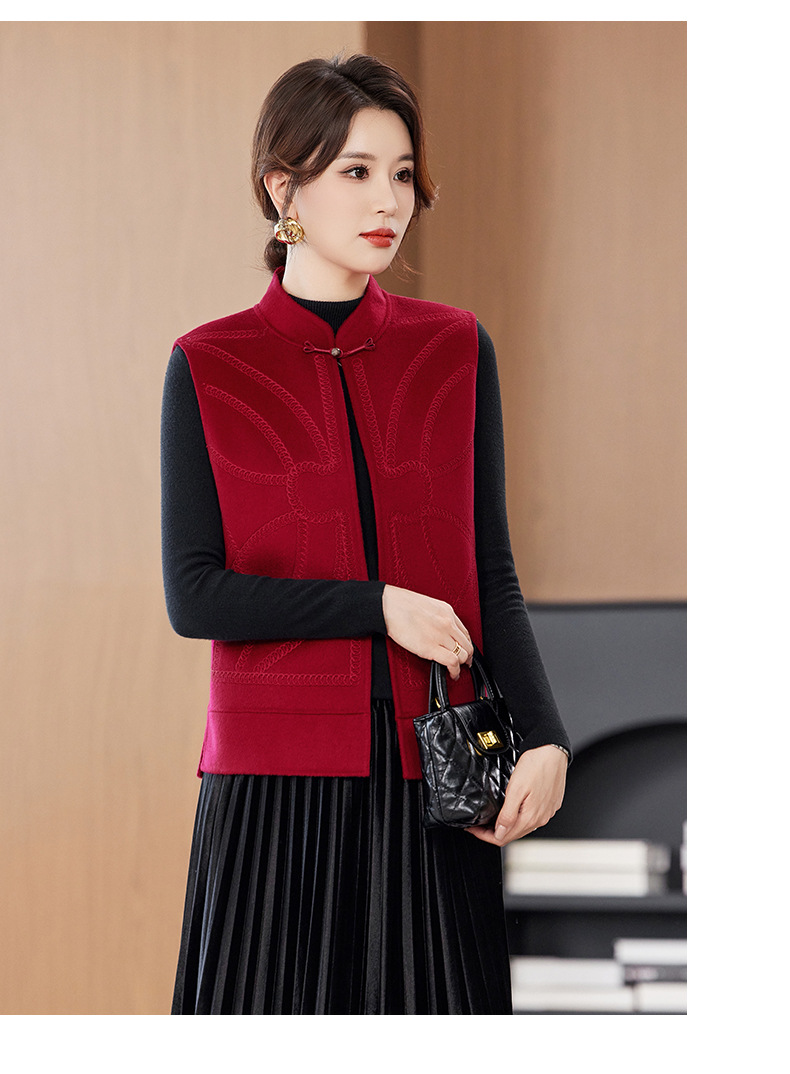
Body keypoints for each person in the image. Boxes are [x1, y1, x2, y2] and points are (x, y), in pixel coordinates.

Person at [161, 53, 571, 1016]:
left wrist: (547, 739)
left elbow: (490, 571)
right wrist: (376, 605)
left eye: (401, 173)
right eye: (355, 171)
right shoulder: (209, 363)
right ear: (283, 190)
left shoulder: (455, 347)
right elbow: (196, 594)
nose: (389, 200)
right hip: (271, 788)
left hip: (438, 775)